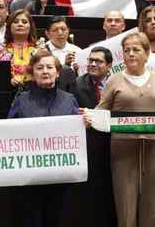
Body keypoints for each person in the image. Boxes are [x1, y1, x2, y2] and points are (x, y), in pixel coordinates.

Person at [0, 50, 91, 227]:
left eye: (49, 67)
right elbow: (7, 133)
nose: (45, 71)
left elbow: (78, 136)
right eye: (39, 68)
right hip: (27, 181)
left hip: (60, 179)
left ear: (58, 72)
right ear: (32, 73)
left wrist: (86, 124)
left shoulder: (70, 100)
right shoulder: (22, 100)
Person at [93, 32, 155, 227]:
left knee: (151, 207)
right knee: (125, 208)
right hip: (122, 151)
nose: (131, 54)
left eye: (136, 50)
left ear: (147, 54)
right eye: (126, 50)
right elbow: (101, 111)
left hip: (153, 151)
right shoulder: (114, 80)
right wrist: (88, 116)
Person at [70, 46, 117, 226]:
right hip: (87, 146)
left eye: (98, 61)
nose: (93, 64)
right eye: (90, 60)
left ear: (109, 65)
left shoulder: (116, 84)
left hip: (113, 144)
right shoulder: (75, 84)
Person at [0, 9, 37, 93]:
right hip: (8, 94)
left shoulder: (41, 49)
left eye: (24, 22)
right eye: (15, 22)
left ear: (30, 26)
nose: (20, 24)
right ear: (9, 26)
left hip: (36, 94)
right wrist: (8, 81)